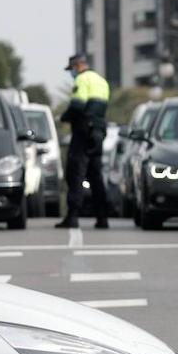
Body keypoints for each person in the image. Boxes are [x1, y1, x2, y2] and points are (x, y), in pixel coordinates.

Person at [57, 54, 112, 229]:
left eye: (71, 69)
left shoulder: (82, 79)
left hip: (83, 131)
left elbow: (78, 105)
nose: (71, 73)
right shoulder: (102, 81)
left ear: (77, 66)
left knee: (76, 174)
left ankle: (72, 217)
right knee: (96, 176)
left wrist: (64, 117)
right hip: (98, 132)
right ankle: (102, 218)